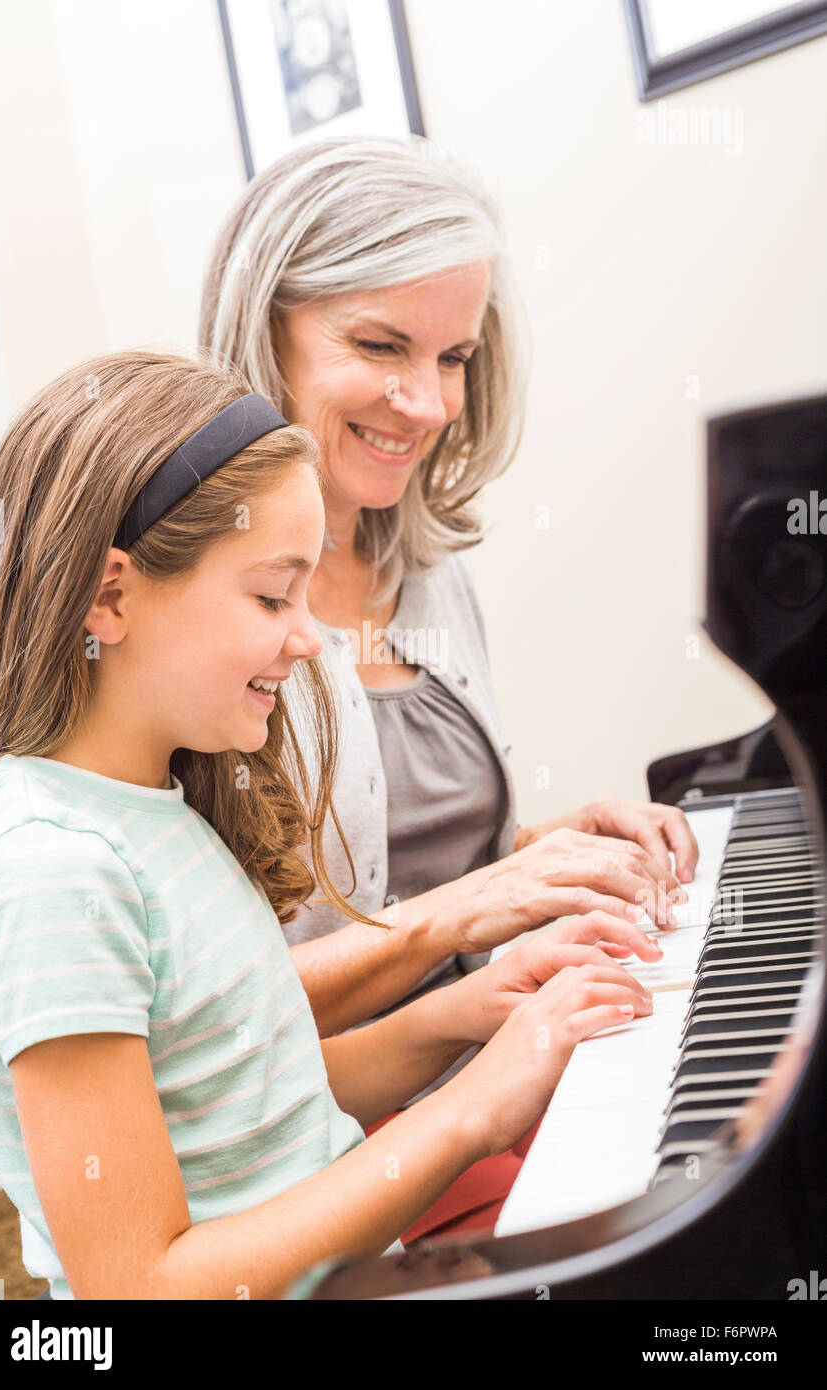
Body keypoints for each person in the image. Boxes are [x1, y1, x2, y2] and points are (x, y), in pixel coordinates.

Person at [0, 350, 655, 1299]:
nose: (308, 637)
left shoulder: (160, 808)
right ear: (110, 597)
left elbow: (260, 1105)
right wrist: (465, 1118)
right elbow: (141, 1286)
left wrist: (465, 1018)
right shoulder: (50, 869)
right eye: (270, 595)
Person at [198, 134, 698, 1236]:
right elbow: (212, 1024)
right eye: (380, 344)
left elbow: (430, 869)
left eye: (454, 357)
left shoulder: (425, 570)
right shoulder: (202, 619)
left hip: (486, 1063)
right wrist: (469, 921)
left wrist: (549, 854)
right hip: (334, 1147)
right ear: (263, 326)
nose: (424, 403)